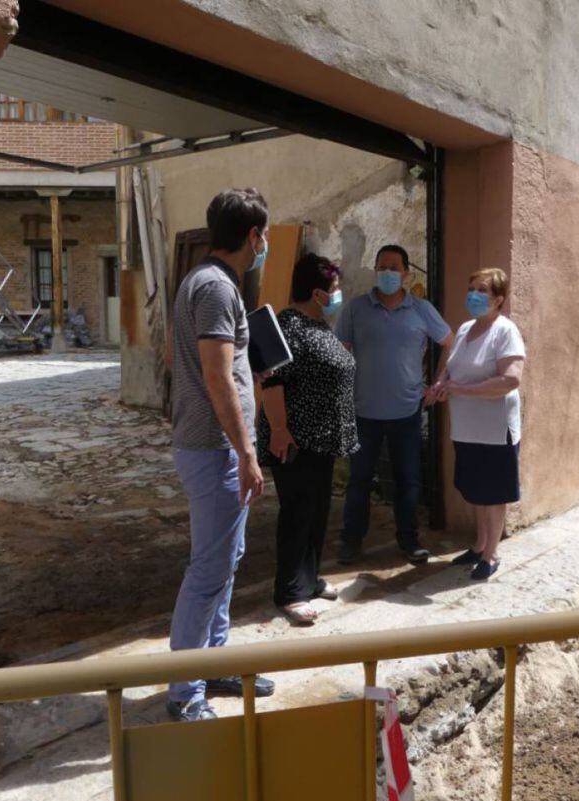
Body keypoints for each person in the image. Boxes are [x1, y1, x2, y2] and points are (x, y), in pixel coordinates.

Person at [166, 188, 274, 721]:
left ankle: (213, 662)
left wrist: (250, 376)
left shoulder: (207, 282)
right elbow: (214, 375)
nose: (265, 246)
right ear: (252, 236)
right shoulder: (215, 288)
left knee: (226, 560)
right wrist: (247, 451)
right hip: (215, 449)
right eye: (264, 236)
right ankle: (185, 692)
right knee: (209, 568)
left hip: (213, 446)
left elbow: (215, 366)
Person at [256, 254, 358, 625]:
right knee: (297, 513)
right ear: (316, 293)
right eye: (333, 290)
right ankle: (289, 592)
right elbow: (271, 381)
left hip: (323, 438)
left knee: (316, 511)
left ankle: (310, 579)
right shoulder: (286, 326)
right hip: (296, 439)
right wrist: (280, 430)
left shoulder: (318, 324)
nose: (337, 296)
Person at [334, 244, 452, 564]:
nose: (387, 273)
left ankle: (409, 540)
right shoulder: (356, 309)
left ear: (406, 273)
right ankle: (351, 541)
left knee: (407, 480)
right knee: (359, 481)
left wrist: (438, 383)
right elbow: (341, 351)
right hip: (363, 412)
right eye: (382, 267)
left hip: (407, 412)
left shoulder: (421, 310)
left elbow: (449, 343)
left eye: (393, 267)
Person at [430, 268, 525, 581]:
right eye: (471, 288)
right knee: (474, 490)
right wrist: (440, 384)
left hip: (495, 429)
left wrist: (460, 390)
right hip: (466, 427)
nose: (473, 294)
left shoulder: (504, 331)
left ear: (498, 299)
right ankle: (479, 544)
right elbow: (450, 368)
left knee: (493, 493)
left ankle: (491, 553)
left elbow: (510, 379)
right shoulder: (465, 329)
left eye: (481, 290)